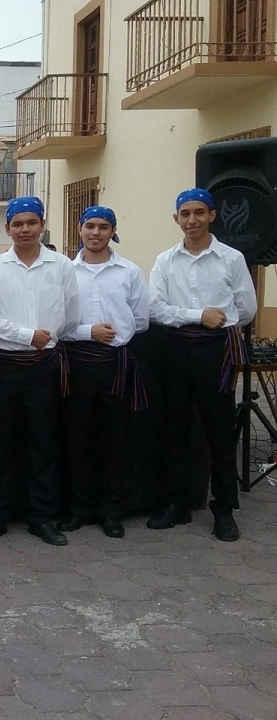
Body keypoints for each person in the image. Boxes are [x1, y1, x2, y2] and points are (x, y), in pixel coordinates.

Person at [147, 188, 257, 541]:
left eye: (198, 213)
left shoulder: (231, 258)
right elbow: (156, 308)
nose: (191, 220)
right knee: (175, 428)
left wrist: (217, 322)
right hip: (177, 349)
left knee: (220, 431)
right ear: (176, 218)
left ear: (211, 215)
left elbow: (247, 308)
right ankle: (176, 503)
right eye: (185, 214)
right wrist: (199, 315)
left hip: (216, 351)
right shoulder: (165, 260)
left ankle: (224, 509)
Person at [0, 197, 80, 547]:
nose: (24, 229)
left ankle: (42, 517)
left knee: (43, 443)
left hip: (43, 368)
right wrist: (26, 336)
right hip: (4, 367)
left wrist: (45, 338)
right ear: (7, 228)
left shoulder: (62, 266)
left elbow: (71, 315)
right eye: (17, 224)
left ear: (42, 225)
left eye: (31, 223)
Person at [57, 206, 149, 539]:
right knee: (77, 439)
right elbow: (59, 323)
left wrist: (113, 336)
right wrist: (88, 332)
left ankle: (111, 510)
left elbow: (141, 321)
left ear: (113, 231)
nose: (96, 233)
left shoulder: (129, 272)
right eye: (90, 226)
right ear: (79, 229)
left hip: (115, 365)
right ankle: (79, 508)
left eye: (104, 226)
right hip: (76, 362)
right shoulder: (66, 271)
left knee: (115, 439)